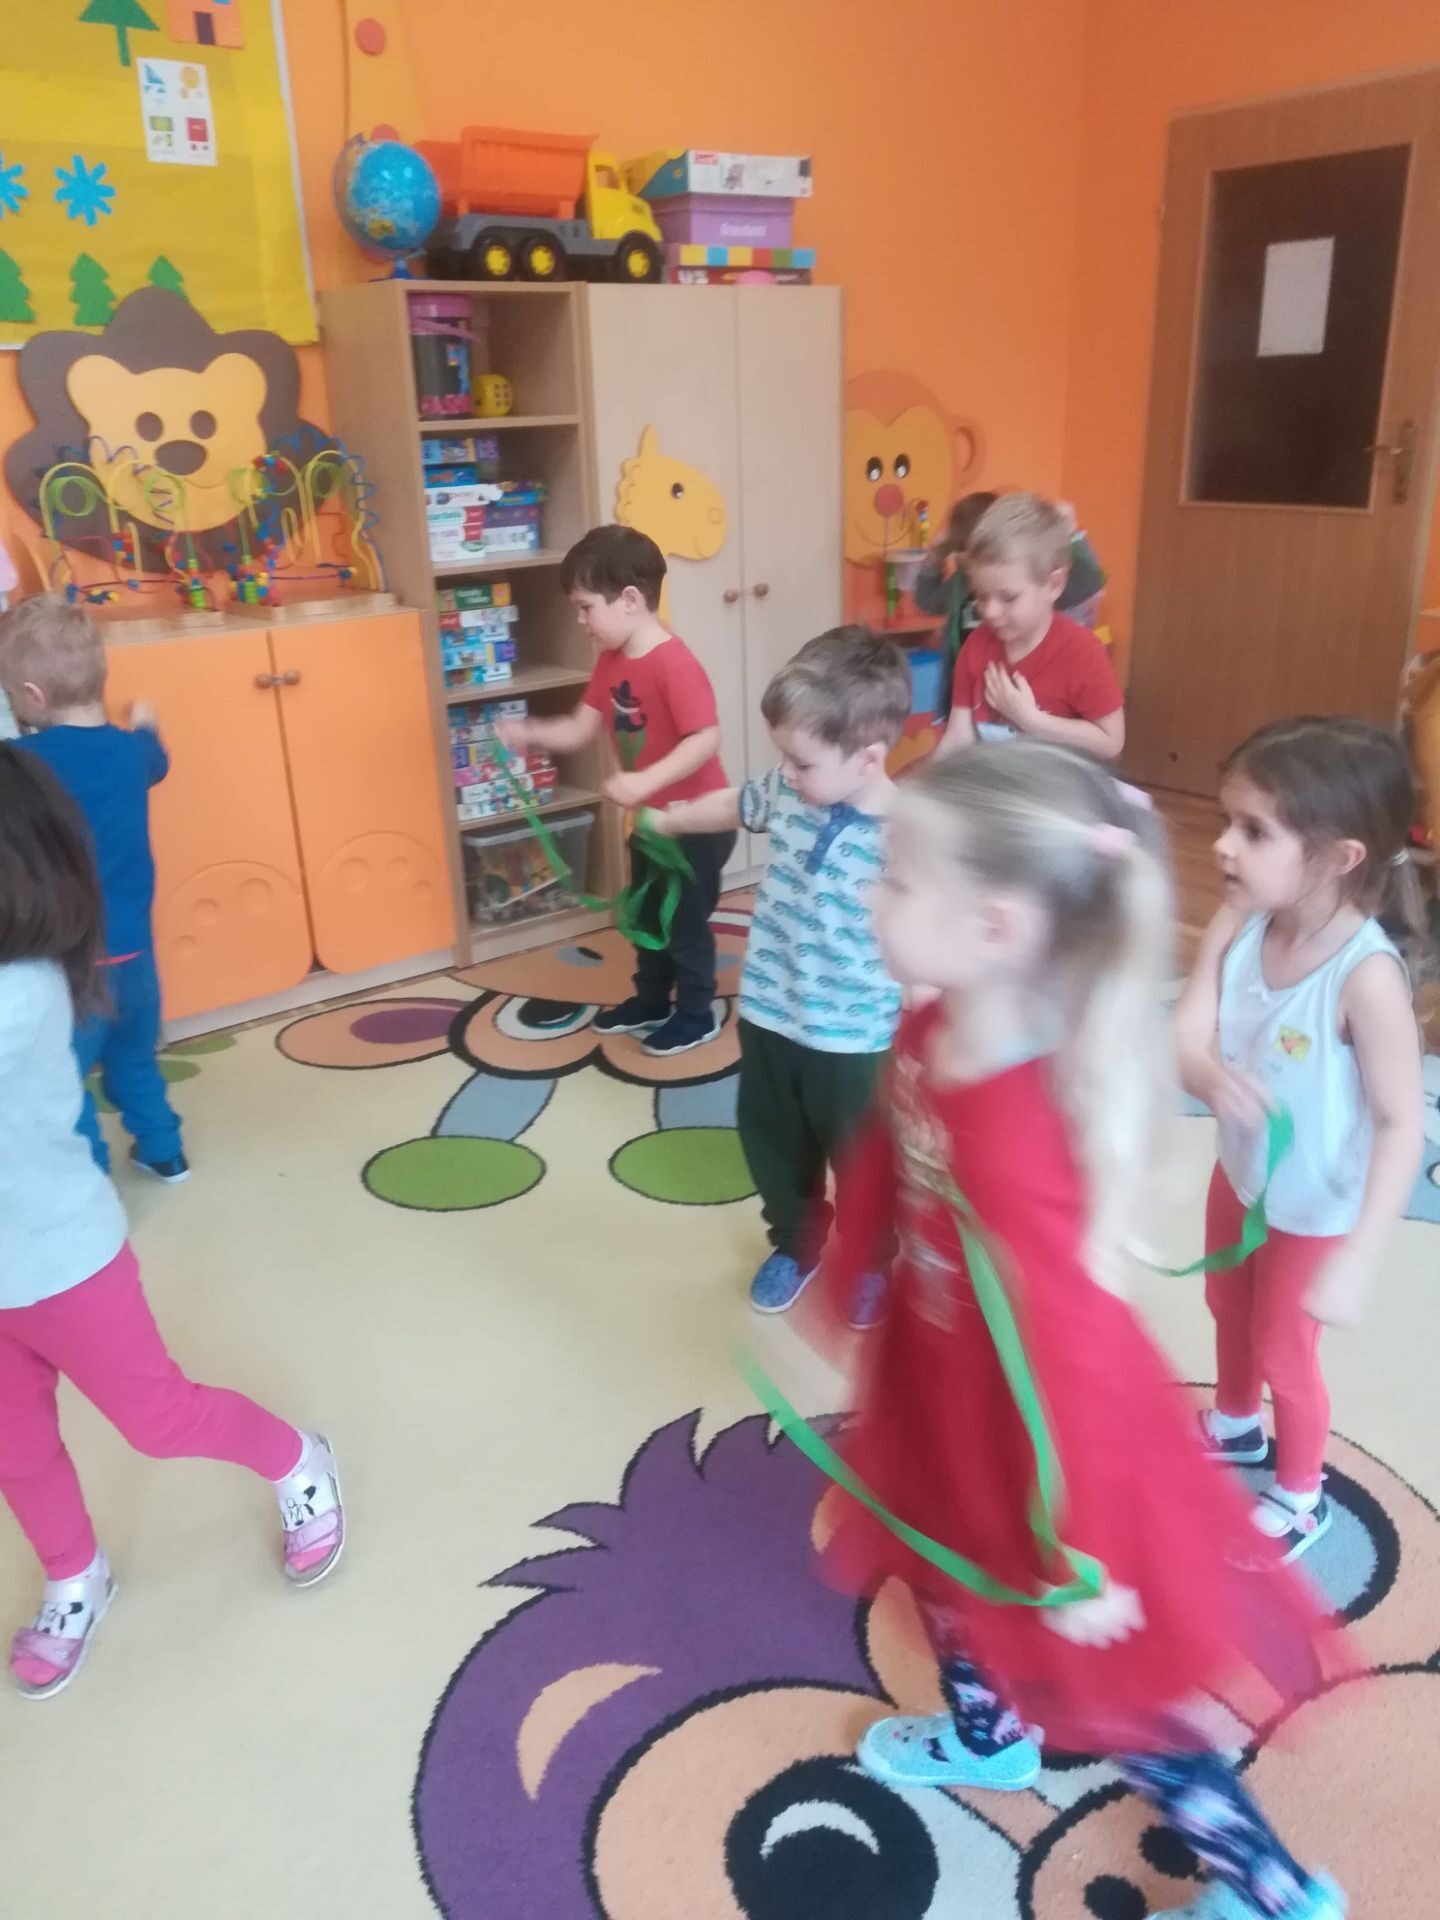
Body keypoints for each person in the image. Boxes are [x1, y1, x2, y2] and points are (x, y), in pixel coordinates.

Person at [818, 742, 1346, 1920]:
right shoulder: (934, 1025)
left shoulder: (1013, 1141)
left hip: (1051, 1453)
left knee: (1115, 1692)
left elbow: (1063, 1362)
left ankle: (1278, 1892)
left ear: (996, 927)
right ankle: (986, 1735)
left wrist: (1076, 1553)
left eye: (897, 878)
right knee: (942, 1567)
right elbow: (891, 1158)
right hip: (945, 1381)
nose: (871, 893)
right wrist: (848, 1271)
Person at [0, 746, 343, 1701]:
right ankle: (75, 1574)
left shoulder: (22, 992)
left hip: (65, 1265)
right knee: (15, 1450)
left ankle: (299, 1460)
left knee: (158, 1422)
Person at [1176, 718, 1425, 1564]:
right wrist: (1201, 1069)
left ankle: (1301, 1493)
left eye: (1254, 831)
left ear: (1341, 856)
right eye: (1227, 822)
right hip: (1241, 1177)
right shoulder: (1244, 919)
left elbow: (1402, 1122)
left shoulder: (1366, 978)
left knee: (1287, 1353)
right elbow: (1191, 1021)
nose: (1223, 846)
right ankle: (1236, 1423)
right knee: (1226, 1306)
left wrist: (1359, 1255)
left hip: (1316, 1211)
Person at [648, 627, 908, 1321]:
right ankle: (796, 1241)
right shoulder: (787, 793)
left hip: (853, 1037)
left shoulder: (908, 835)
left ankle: (871, 1257)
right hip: (769, 1010)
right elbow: (734, 802)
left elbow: (930, 931)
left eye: (801, 761)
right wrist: (674, 820)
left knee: (863, 1154)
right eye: (782, 758)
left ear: (868, 758)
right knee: (771, 1139)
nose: (785, 773)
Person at [498, 526, 734, 1059]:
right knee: (648, 918)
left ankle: (696, 1014)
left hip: (697, 822)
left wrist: (645, 782)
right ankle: (651, 1001)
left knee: (684, 925)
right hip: (651, 823)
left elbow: (706, 738)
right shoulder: (610, 662)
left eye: (586, 607)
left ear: (630, 599)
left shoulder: (674, 662)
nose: (580, 621)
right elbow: (579, 728)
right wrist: (530, 732)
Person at [0, 595, 186, 1181]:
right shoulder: (131, 751)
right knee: (135, 1059)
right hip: (137, 959)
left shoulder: (21, 763)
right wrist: (147, 721)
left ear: (33, 696)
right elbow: (156, 757)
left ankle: (93, 1176)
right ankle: (165, 1151)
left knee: (65, 1076)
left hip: (75, 964)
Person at [938, 494, 1124, 761]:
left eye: (1008, 598)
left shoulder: (1081, 652)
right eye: (980, 595)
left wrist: (1031, 720)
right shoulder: (976, 647)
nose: (989, 611)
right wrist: (926, 781)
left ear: (1053, 585)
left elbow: (1111, 742)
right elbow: (958, 736)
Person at [913, 491, 1107, 710]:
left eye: (1008, 598)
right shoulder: (960, 583)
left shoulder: (1028, 582)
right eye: (965, 556)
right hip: (966, 692)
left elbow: (1088, 583)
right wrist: (935, 557)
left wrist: (1072, 535)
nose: (990, 611)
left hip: (1019, 692)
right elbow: (926, 601)